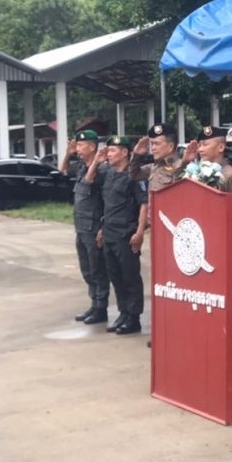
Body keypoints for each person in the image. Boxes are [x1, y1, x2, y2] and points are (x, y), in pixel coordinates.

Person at [89, 136, 148, 335]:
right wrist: (102, 228)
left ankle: (134, 318)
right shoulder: (109, 174)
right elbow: (95, 187)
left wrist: (140, 232)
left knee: (130, 277)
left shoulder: (135, 175)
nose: (109, 154)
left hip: (126, 233)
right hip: (109, 233)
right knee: (115, 276)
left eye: (112, 150)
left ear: (124, 153)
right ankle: (123, 313)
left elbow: (144, 204)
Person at [60, 129, 110, 325]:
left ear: (92, 147)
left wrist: (102, 228)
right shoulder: (81, 166)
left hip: (94, 228)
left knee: (98, 270)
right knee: (87, 269)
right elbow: (63, 170)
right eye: (77, 145)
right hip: (80, 228)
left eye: (81, 145)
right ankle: (94, 303)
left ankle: (101, 308)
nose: (78, 149)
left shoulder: (102, 170)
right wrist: (68, 153)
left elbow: (100, 194)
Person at [130, 123, 183, 214]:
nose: (153, 148)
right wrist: (137, 155)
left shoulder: (181, 166)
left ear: (170, 146)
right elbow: (133, 174)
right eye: (152, 144)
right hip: (152, 221)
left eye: (157, 144)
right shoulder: (154, 167)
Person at [180, 125, 232, 193]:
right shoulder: (196, 171)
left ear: (221, 147)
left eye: (205, 145)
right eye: (199, 146)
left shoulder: (231, 176)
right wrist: (184, 162)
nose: (200, 149)